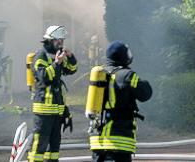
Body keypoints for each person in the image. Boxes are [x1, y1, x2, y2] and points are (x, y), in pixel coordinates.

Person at [89, 41, 153, 162]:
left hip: (97, 142)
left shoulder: (100, 74)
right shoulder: (127, 75)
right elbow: (145, 94)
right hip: (118, 141)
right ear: (123, 56)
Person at [29, 25, 78, 162]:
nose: (60, 43)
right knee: (39, 146)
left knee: (54, 149)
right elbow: (44, 76)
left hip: (57, 111)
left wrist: (70, 57)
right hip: (44, 111)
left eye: (62, 40)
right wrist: (57, 63)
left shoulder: (58, 55)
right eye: (58, 40)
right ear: (49, 40)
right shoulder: (40, 56)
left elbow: (71, 69)